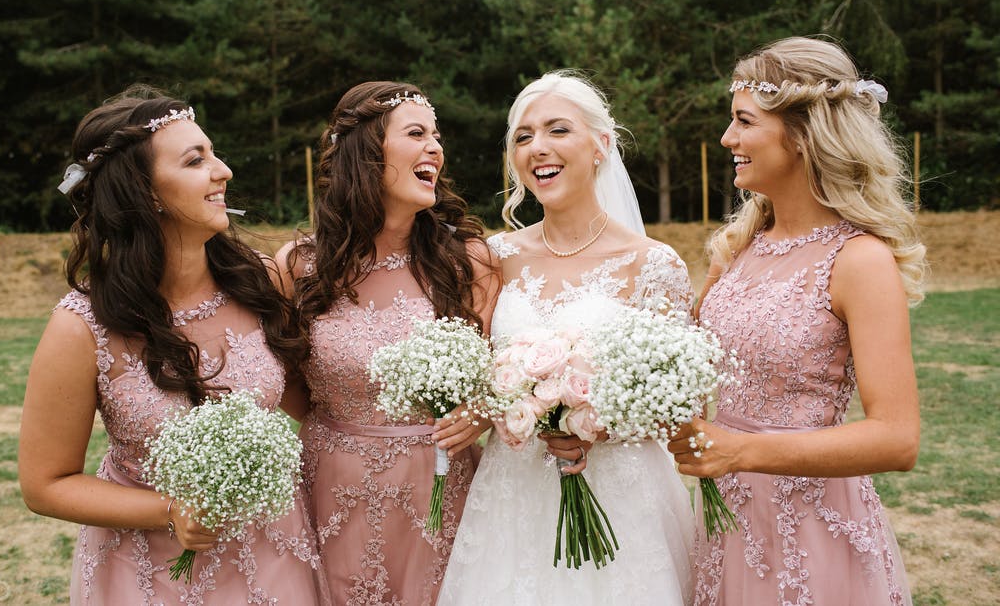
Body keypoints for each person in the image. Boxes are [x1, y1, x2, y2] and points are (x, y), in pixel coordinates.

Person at [18, 87, 330, 605]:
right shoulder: (81, 327)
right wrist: (169, 509)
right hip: (150, 574)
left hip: (273, 556)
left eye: (213, 152)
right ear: (146, 193)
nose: (223, 170)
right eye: (195, 160)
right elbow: (45, 484)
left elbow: (313, 404)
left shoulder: (258, 285)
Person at [667, 36, 924, 605]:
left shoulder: (860, 260)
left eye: (743, 121)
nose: (727, 138)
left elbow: (897, 438)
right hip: (726, 521)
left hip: (812, 528)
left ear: (804, 135)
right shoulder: (739, 248)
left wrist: (742, 451)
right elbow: (686, 369)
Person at [437, 71, 695, 605]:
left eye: (558, 130)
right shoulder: (494, 258)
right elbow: (477, 371)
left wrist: (597, 423)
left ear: (601, 144)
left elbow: (681, 403)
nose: (538, 148)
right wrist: (489, 407)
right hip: (514, 497)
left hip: (621, 497)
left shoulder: (652, 264)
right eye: (524, 136)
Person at [275, 81, 499, 606]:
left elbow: (498, 376)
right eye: (417, 133)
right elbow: (282, 384)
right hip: (331, 484)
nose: (436, 148)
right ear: (367, 152)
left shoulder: (470, 262)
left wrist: (481, 412)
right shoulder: (298, 268)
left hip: (441, 486)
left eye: (437, 136)